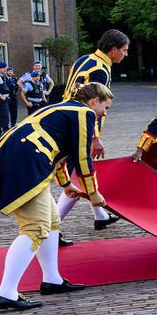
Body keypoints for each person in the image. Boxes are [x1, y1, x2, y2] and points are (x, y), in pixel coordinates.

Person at [0, 82, 113, 311]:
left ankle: (51, 279)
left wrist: (65, 183)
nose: (104, 113)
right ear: (94, 102)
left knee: (51, 221)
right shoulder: (84, 113)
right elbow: (83, 158)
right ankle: (6, 292)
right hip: (25, 163)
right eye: (105, 107)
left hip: (23, 159)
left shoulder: (64, 108)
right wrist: (94, 193)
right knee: (36, 227)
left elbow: (57, 150)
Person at [55, 29, 130, 235]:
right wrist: (94, 137)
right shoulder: (100, 70)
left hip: (68, 117)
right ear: (113, 49)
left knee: (88, 170)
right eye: (124, 50)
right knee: (77, 176)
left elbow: (70, 90)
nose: (125, 54)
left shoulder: (85, 59)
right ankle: (51, 227)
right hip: (79, 126)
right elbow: (92, 105)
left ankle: (100, 216)